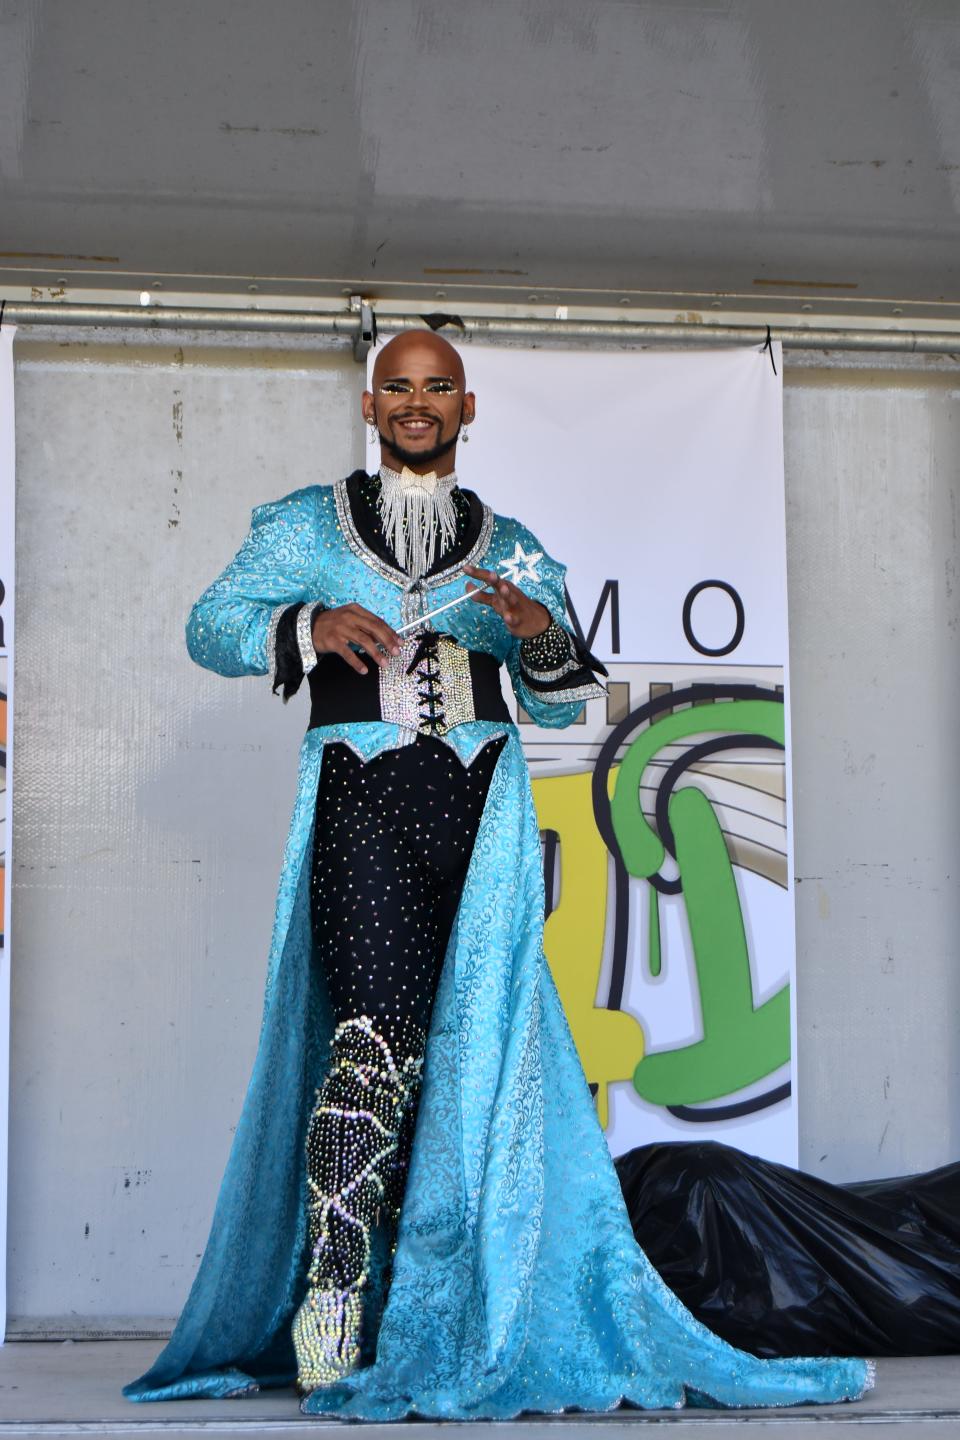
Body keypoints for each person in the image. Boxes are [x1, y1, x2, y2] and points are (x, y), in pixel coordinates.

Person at [125, 332, 872, 1419]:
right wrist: (306, 622)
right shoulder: (303, 524)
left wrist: (538, 640)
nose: (417, 406)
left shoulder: (511, 550)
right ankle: (332, 1297)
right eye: (399, 389)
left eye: (437, 391)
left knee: (475, 1052)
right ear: (371, 404)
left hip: (481, 817)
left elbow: (567, 702)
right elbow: (208, 626)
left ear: (466, 408)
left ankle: (448, 1301)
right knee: (369, 1039)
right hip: (364, 811)